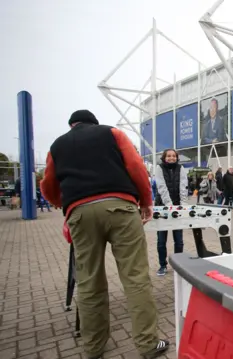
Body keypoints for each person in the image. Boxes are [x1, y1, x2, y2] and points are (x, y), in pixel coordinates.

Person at [39, 110, 169, 359]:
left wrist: (65, 204)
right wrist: (146, 201)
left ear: (72, 125)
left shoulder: (57, 145)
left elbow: (48, 184)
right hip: (120, 205)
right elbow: (136, 167)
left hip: (80, 212)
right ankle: (148, 344)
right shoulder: (112, 133)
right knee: (135, 278)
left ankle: (93, 348)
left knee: (89, 282)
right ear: (93, 123)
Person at [154, 149, 188, 276]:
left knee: (179, 240)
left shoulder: (181, 168)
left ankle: (178, 265)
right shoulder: (159, 168)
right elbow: (161, 187)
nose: (171, 158)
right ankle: (162, 265)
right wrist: (169, 205)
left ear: (176, 157)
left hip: (177, 207)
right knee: (161, 240)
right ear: (164, 157)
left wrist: (183, 204)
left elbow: (184, 185)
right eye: (168, 156)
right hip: (163, 207)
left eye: (174, 156)